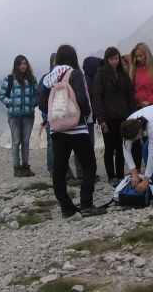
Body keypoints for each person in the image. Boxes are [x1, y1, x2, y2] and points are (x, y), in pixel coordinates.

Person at [39, 44, 105, 218]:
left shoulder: (48, 77)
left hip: (56, 129)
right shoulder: (74, 74)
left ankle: (66, 207)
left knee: (59, 169)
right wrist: (84, 114)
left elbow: (41, 102)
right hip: (77, 128)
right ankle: (86, 204)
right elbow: (82, 99)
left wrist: (54, 114)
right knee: (89, 165)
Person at [93, 47, 136, 188]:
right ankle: (111, 176)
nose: (114, 61)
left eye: (116, 58)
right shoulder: (101, 74)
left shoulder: (123, 74)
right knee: (109, 148)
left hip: (123, 116)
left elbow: (130, 96)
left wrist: (132, 115)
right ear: (107, 59)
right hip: (108, 117)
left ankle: (120, 174)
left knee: (121, 147)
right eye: (111, 59)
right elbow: (97, 97)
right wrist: (101, 119)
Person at [0, 55, 38, 177]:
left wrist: (34, 103)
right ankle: (16, 168)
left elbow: (37, 94)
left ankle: (25, 167)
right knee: (16, 141)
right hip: (14, 116)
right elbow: (1, 95)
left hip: (28, 115)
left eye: (25, 63)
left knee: (25, 141)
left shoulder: (32, 79)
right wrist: (11, 102)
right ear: (16, 66)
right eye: (20, 64)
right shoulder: (9, 79)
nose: (23, 66)